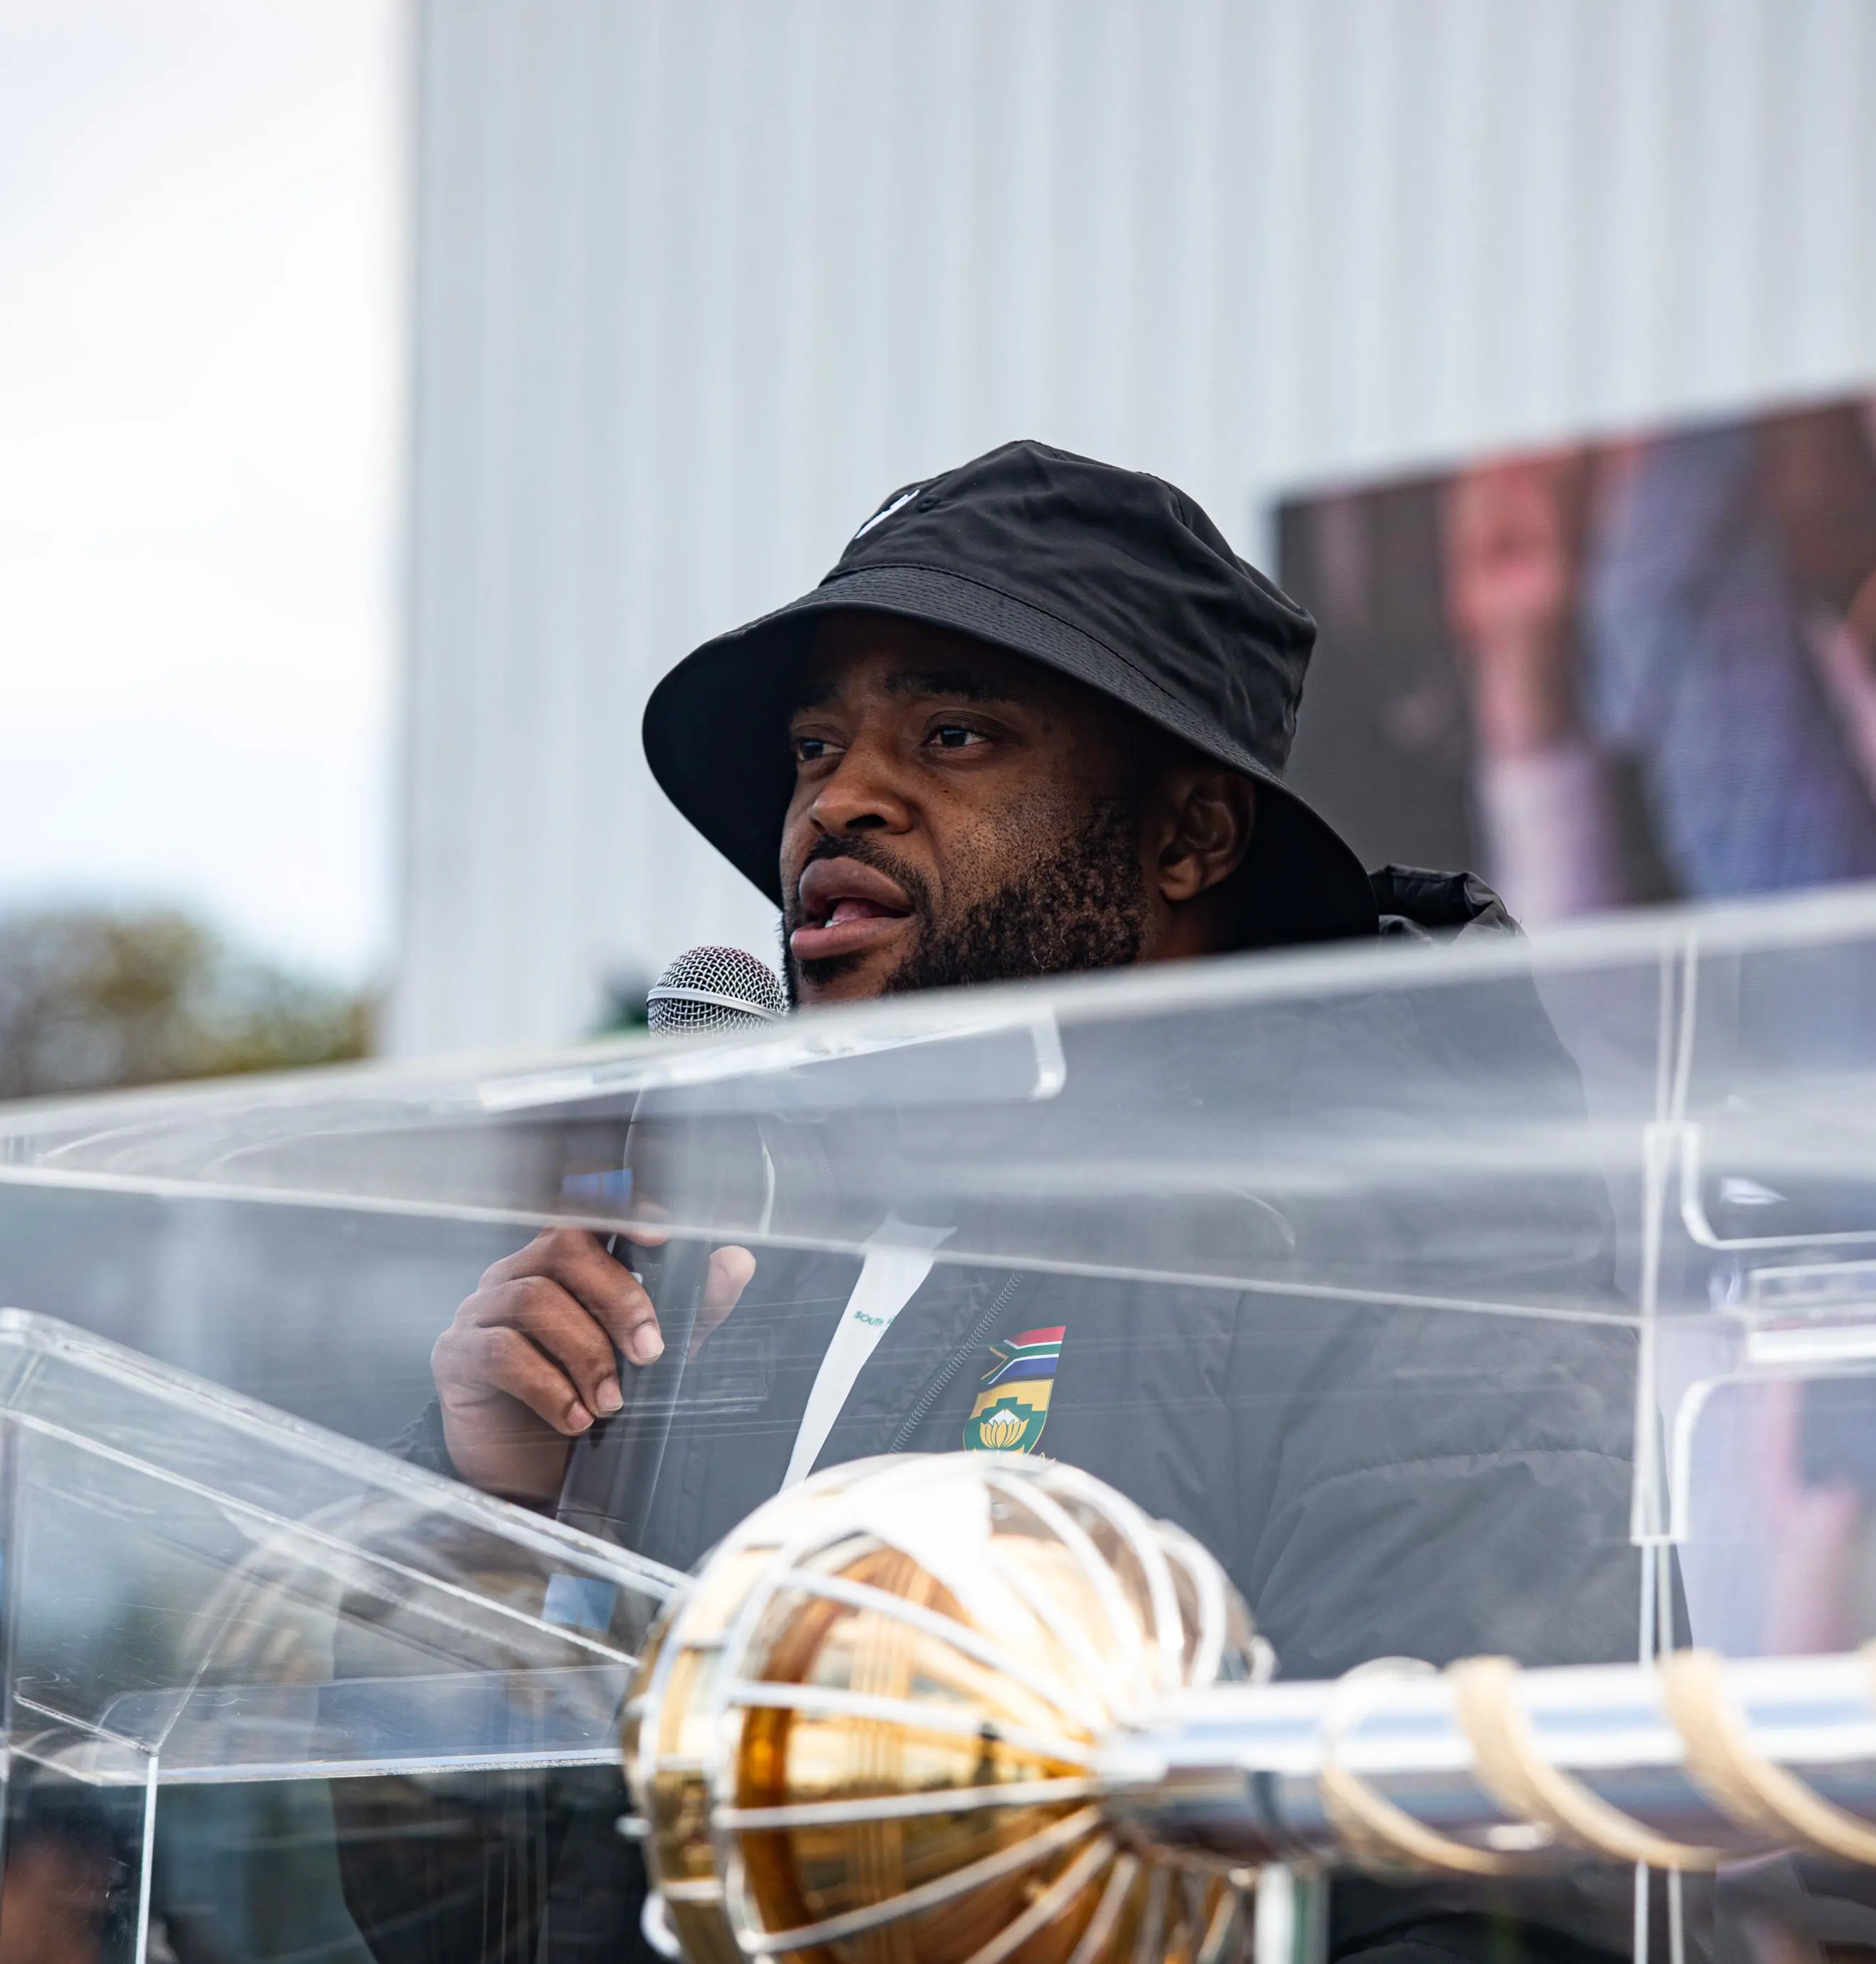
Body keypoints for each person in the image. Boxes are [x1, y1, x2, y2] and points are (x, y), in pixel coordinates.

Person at [394, 441, 1647, 1964]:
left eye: (955, 734)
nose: (838, 801)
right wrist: (496, 1521)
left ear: (1188, 838)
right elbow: (512, 1923)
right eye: (811, 750)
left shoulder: (1404, 1229)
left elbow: (1465, 1887)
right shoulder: (746, 1275)